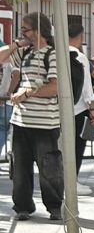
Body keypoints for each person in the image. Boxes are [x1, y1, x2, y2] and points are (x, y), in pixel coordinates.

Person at [8, 13, 64, 220]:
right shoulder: (25, 54)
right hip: (20, 120)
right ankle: (22, 206)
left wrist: (27, 93)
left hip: (45, 122)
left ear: (39, 31)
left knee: (49, 167)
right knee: (20, 168)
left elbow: (54, 88)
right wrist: (16, 43)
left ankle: (55, 206)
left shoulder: (52, 55)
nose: (22, 33)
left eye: (25, 29)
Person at [67, 20, 94, 179]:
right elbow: (87, 88)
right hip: (79, 109)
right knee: (77, 148)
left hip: (58, 109)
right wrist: (92, 109)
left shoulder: (55, 53)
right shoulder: (79, 56)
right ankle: (73, 180)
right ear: (81, 36)